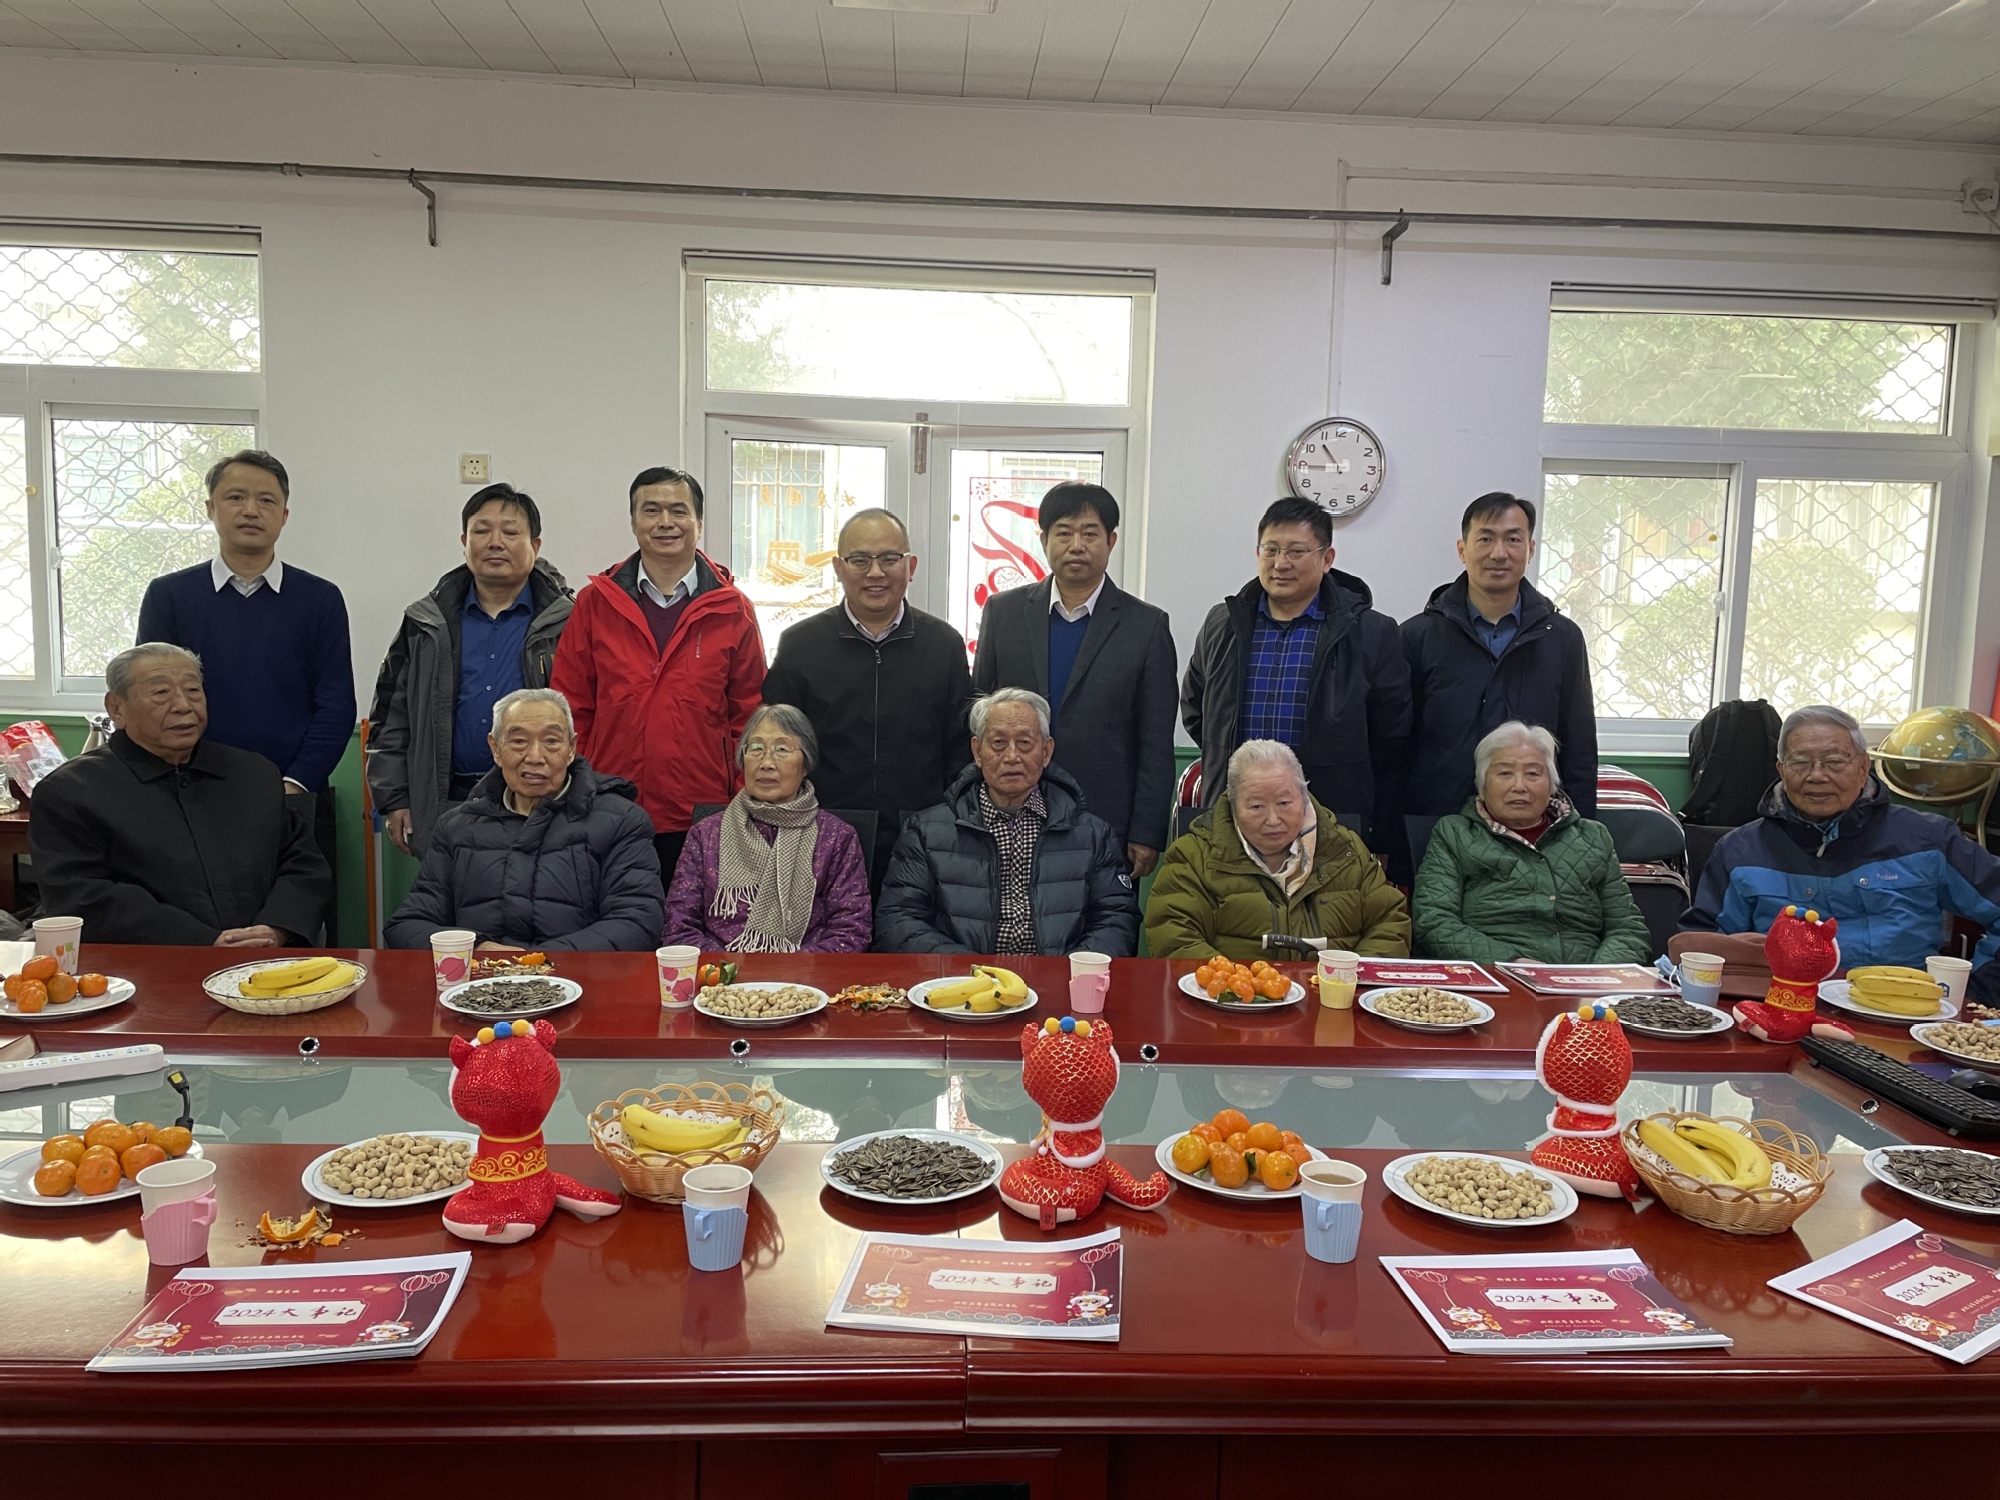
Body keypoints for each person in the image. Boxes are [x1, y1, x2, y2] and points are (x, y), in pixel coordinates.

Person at [136, 448, 354, 912]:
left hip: (289, 794)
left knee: (288, 922)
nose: (251, 510)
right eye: (236, 497)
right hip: (188, 792)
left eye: (266, 500)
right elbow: (153, 700)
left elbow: (336, 705)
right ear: (211, 508)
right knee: (195, 923)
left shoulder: (319, 599)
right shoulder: (169, 596)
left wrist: (296, 784)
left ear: (284, 515)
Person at [1680, 706, 2000, 1003]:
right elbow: (1703, 946)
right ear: (1781, 770)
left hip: (1904, 1014)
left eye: (1834, 761)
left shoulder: (1929, 839)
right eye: (1800, 762)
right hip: (1780, 1009)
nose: (1817, 775)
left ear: (1863, 767)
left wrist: (1974, 992)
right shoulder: (1740, 850)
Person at [549, 466, 765, 888]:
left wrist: (743, 799)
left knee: (694, 924)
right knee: (617, 922)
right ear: (633, 522)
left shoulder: (734, 609)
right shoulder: (595, 604)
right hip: (610, 805)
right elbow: (570, 708)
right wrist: (577, 789)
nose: (665, 522)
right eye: (651, 510)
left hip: (705, 812)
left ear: (699, 522)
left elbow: (750, 717)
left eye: (678, 511)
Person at [30, 644, 328, 945]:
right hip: (148, 964)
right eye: (161, 693)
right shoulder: (71, 792)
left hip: (266, 958)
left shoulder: (255, 773)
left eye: (193, 691)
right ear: (116, 707)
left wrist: (276, 928)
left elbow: (303, 863)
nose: (183, 705)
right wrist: (205, 941)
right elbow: (81, 896)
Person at [1181, 496, 1408, 854]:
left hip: (1329, 817)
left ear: (1327, 558)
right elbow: (1197, 710)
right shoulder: (1222, 624)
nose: (1280, 563)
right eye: (1270, 550)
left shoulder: (1371, 633)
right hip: (1234, 813)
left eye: (1296, 551)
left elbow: (1390, 733)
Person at [972, 482, 1177, 878]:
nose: (1077, 545)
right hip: (1009, 809)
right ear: (1044, 540)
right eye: (1064, 533)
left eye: (1090, 533)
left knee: (1101, 916)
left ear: (1111, 541)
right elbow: (980, 716)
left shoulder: (1146, 625)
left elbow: (1155, 739)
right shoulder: (1003, 613)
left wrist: (1147, 832)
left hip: (1106, 818)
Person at [761, 508, 972, 890]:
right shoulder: (801, 645)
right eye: (860, 560)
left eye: (889, 558)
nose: (876, 572)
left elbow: (961, 749)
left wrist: (947, 822)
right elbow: (778, 747)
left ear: (910, 566)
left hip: (921, 838)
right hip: (818, 836)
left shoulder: (943, 646)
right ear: (838, 568)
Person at [366, 483, 573, 860]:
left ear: (535, 545)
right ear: (464, 541)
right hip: (449, 801)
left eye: (510, 532)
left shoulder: (568, 622)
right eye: (482, 530)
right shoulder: (426, 623)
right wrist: (394, 798)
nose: (495, 542)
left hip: (544, 803)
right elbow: (391, 715)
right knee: (452, 897)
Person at [1399, 493, 1597, 877]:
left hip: (1535, 829)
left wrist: (1584, 835)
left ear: (1530, 549)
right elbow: (1399, 746)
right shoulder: (1418, 636)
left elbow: (1579, 747)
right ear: (1462, 549)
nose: (1499, 553)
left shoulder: (1561, 638)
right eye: (1486, 538)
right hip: (1437, 823)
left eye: (1513, 539)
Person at [384, 688, 662, 952]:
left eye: (551, 741)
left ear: (571, 748)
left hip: (578, 980)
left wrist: (536, 962)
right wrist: (475, 949)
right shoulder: (457, 827)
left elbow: (637, 921)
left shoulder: (621, 821)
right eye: (518, 742)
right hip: (483, 981)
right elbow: (408, 924)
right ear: (495, 748)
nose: (535, 757)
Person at [875, 688, 1138, 956]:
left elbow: (1117, 919)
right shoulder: (925, 832)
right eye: (998, 743)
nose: (1012, 756)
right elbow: (897, 921)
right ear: (977, 752)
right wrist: (970, 970)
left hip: (1062, 977)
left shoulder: (1093, 834)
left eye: (1025, 742)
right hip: (962, 978)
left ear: (1046, 752)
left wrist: (1068, 969)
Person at [1145, 739, 1409, 962]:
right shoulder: (1194, 855)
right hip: (1233, 999)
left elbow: (1389, 923)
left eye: (1284, 803)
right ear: (1232, 805)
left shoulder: (1345, 850)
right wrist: (1237, 984)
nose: (1273, 820)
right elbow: (1174, 933)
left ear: (1304, 795)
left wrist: (1349, 977)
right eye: (1256, 807)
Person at [1412, 721, 1651, 964]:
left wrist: (1597, 975)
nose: (1519, 786)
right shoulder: (1455, 834)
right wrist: (1512, 962)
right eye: (1505, 773)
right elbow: (1434, 920)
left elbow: (1628, 929)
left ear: (1552, 786)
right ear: (1482, 787)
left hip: (1586, 975)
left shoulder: (1593, 837)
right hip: (1497, 972)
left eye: (1533, 774)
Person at [664, 703, 871, 953]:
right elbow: (679, 927)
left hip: (805, 974)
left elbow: (851, 931)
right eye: (756, 748)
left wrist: (788, 972)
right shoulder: (705, 834)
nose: (766, 763)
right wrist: (732, 970)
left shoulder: (837, 837)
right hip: (722, 974)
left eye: (782, 749)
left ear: (806, 763)